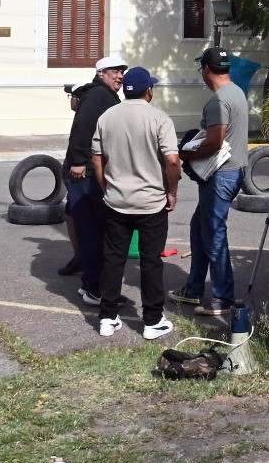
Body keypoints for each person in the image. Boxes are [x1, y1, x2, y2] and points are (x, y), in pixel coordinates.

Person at [91, 66, 180, 339]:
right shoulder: (159, 118)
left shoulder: (107, 117)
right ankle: (152, 321)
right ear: (149, 90)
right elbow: (173, 160)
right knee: (151, 261)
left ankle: (108, 317)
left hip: (117, 201)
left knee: (113, 258)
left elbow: (97, 157)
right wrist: (172, 191)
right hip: (152, 202)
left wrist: (107, 187)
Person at [172, 47, 249, 317]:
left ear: (206, 69)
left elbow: (215, 142)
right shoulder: (236, 92)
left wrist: (186, 153)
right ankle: (193, 290)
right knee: (199, 228)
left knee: (214, 235)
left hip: (221, 175)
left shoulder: (217, 101)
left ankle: (223, 299)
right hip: (234, 171)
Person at [63, 56, 127, 293]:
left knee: (90, 227)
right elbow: (83, 126)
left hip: (89, 171)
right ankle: (93, 288)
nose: (120, 75)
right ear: (101, 73)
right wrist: (79, 161)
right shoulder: (100, 94)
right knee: (92, 231)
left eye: (122, 71)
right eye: (115, 71)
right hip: (84, 173)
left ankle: (90, 283)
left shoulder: (105, 94)